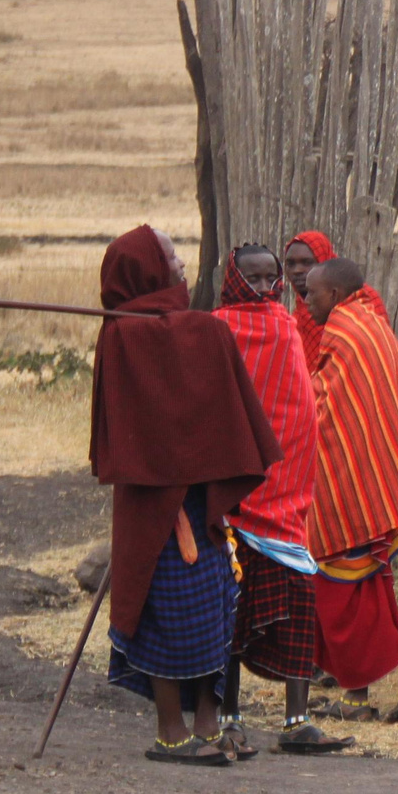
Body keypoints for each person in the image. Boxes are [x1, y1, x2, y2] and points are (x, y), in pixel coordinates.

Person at [90, 226, 280, 765]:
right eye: (171, 258)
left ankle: (207, 724)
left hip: (201, 501)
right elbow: (137, 429)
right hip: (153, 508)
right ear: (147, 271)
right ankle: (170, 732)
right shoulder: (125, 336)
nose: (181, 266)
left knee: (216, 606)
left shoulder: (194, 331)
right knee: (163, 611)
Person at [302, 256, 398, 723]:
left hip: (350, 491)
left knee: (345, 596)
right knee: (365, 589)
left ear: (335, 295)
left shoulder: (345, 333)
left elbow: (327, 413)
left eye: (311, 293)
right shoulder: (367, 322)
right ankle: (356, 698)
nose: (305, 302)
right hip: (370, 488)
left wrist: (289, 416)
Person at [210, 244, 344, 756]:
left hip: (288, 491)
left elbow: (293, 404)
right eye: (255, 278)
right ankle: (228, 715)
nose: (266, 287)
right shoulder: (218, 327)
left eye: (273, 279)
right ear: (234, 279)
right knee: (233, 609)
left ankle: (297, 720)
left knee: (298, 601)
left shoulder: (286, 325)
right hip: (238, 492)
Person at [284, 230, 385, 370]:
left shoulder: (365, 299)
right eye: (290, 264)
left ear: (324, 261)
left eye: (307, 262)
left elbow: (377, 354)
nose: (297, 270)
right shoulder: (299, 317)